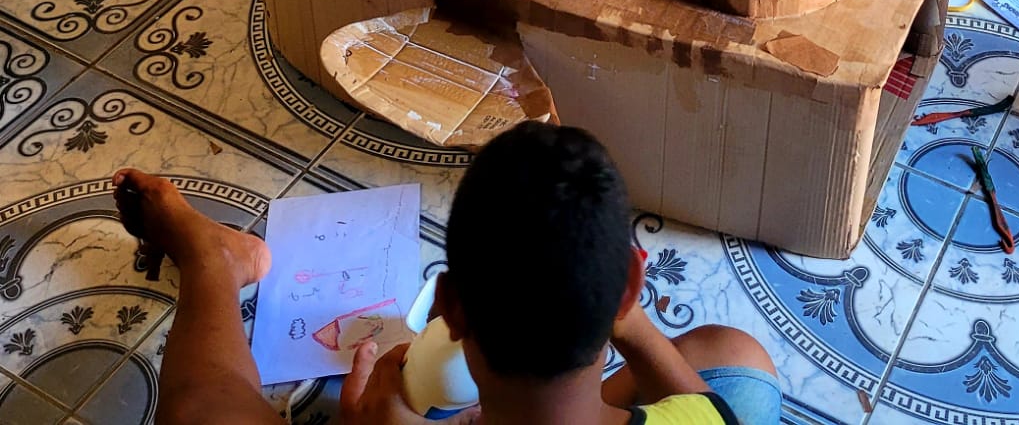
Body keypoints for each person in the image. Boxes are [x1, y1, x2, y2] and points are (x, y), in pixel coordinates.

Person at [111, 123, 779, 425]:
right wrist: (624, 319)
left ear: (449, 307)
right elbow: (703, 408)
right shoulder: (691, 417)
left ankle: (210, 262)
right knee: (732, 354)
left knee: (202, 410)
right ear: (632, 286)